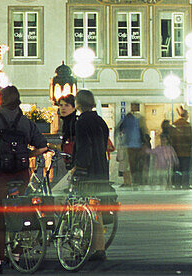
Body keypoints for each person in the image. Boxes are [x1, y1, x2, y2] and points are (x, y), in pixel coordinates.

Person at [0, 84, 48, 274]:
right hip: (22, 174)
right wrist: (28, 154)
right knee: (21, 212)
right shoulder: (26, 121)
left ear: (1, 100)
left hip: (0, 176)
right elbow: (42, 147)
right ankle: (16, 253)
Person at [72, 89, 109, 262]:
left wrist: (78, 167)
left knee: (84, 208)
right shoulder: (100, 121)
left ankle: (87, 246)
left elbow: (84, 147)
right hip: (101, 170)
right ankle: (99, 248)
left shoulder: (81, 122)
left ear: (78, 104)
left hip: (87, 171)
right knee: (96, 210)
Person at [116, 102, 144, 188]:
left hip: (130, 145)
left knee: (129, 165)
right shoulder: (138, 119)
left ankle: (131, 181)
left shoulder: (130, 118)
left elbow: (119, 128)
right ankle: (134, 181)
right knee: (133, 165)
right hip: (134, 145)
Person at [170, 107, 192, 188]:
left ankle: (177, 184)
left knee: (177, 169)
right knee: (185, 170)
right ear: (186, 115)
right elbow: (190, 139)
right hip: (186, 152)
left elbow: (171, 139)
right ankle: (185, 184)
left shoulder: (174, 124)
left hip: (176, 151)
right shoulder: (187, 125)